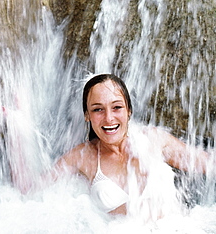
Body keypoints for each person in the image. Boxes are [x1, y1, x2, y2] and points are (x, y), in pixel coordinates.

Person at [51, 74, 213, 220]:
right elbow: (32, 196)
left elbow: (207, 163)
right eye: (98, 109)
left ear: (129, 110)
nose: (109, 118)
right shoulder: (81, 156)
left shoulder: (153, 140)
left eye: (117, 107)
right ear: (87, 115)